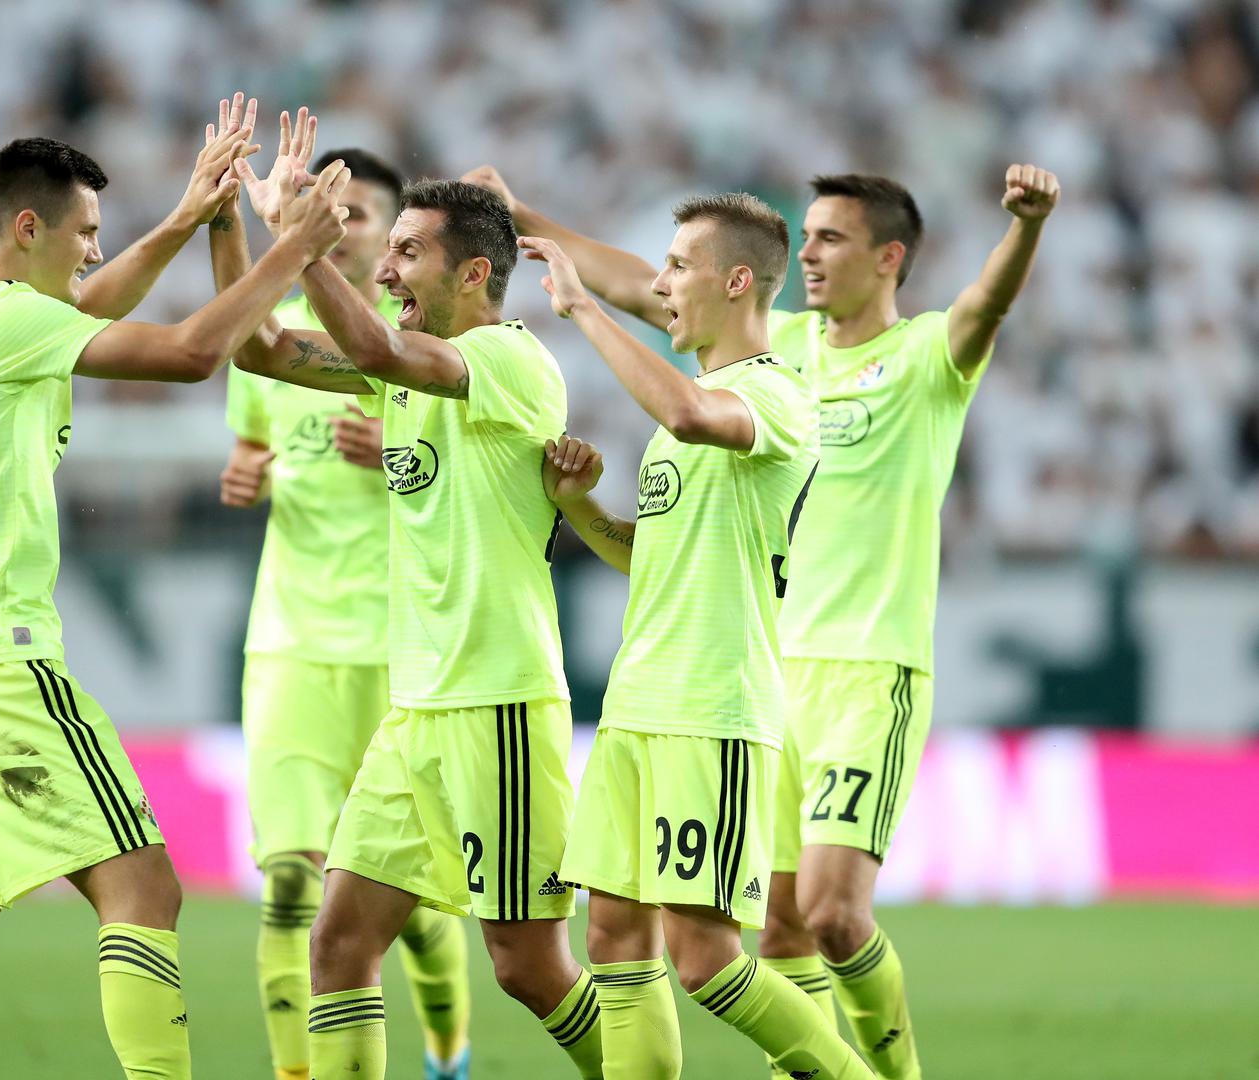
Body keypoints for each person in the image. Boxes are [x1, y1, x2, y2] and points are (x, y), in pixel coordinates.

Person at [467, 160, 1060, 1079]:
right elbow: (646, 291)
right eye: (806, 235)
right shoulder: (772, 349)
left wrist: (1024, 226)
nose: (812, 250)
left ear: (887, 257)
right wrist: (516, 216)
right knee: (672, 931)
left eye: (831, 236)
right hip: (715, 680)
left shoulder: (851, 371)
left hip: (844, 666)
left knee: (807, 922)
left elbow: (984, 305)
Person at [0, 96, 349, 1080]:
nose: (95, 252)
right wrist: (293, 251)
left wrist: (183, 220)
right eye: (84, 233)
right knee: (144, 887)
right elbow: (193, 353)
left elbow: (84, 309)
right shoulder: (9, 325)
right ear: (27, 228)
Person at [212, 152, 603, 1080]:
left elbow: (384, 352)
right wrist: (233, 224)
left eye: (406, 253)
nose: (383, 270)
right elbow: (259, 350)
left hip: (497, 704)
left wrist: (301, 241)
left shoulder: (509, 361)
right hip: (415, 709)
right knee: (339, 942)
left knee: (527, 966)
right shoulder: (400, 368)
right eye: (383, 250)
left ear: (473, 274)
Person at [520, 193, 873, 1078]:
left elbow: (686, 413)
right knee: (611, 938)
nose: (662, 284)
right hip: (636, 706)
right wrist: (578, 509)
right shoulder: (685, 417)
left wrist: (583, 307)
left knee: (706, 959)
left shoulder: (777, 395)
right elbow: (648, 555)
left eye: (678, 265)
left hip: (711, 706)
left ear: (737, 280)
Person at [215, 109, 470, 1080]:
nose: (344, 223)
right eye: (329, 205)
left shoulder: (429, 352)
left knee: (411, 907)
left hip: (404, 657)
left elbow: (490, 489)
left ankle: (448, 1053)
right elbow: (254, 431)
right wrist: (249, 474)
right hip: (291, 646)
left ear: (400, 241)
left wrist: (404, 460)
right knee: (290, 884)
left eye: (362, 213)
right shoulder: (281, 341)